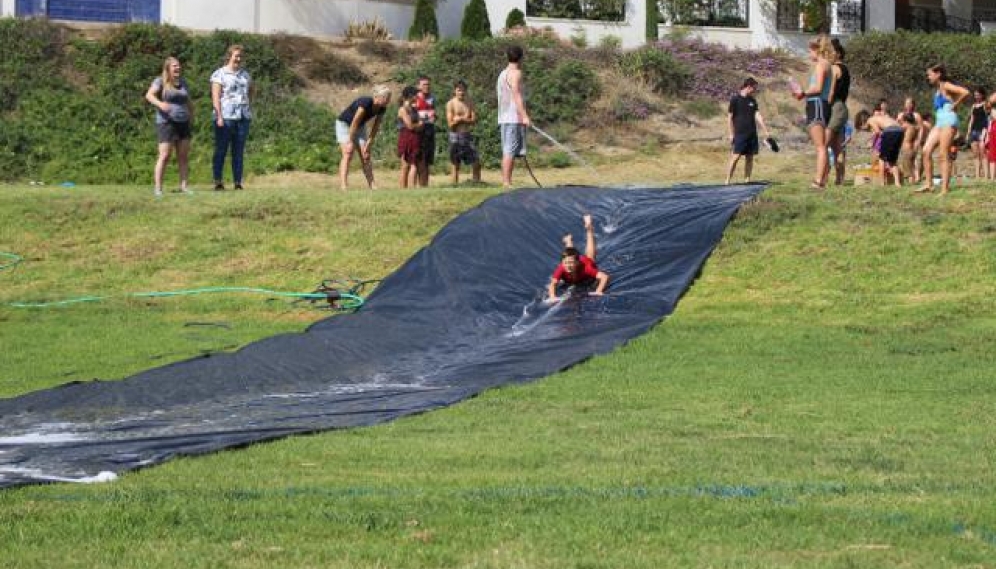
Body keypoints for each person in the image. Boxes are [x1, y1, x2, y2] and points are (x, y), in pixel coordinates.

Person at [917, 64, 969, 195]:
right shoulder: (937, 89)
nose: (928, 77)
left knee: (943, 154)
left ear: (938, 73)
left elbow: (965, 92)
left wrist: (956, 104)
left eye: (930, 74)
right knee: (925, 151)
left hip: (949, 121)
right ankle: (929, 184)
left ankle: (944, 189)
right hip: (939, 123)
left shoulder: (946, 85)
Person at [792, 35, 835, 190]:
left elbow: (817, 88)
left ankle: (818, 181)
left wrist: (803, 93)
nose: (809, 53)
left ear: (817, 49)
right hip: (820, 105)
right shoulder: (826, 64)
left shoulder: (821, 65)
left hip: (816, 105)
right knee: (822, 145)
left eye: (809, 50)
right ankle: (821, 179)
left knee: (820, 146)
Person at [145, 56, 192, 197]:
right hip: (167, 123)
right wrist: (160, 104)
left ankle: (184, 186)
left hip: (183, 122)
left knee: (183, 156)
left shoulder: (183, 82)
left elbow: (188, 101)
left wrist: (192, 115)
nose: (178, 68)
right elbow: (149, 95)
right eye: (174, 66)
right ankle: (158, 188)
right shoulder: (160, 81)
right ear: (168, 68)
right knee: (165, 155)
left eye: (179, 65)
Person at [210, 44, 254, 191]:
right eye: (236, 56)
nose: (238, 59)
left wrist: (248, 107)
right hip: (226, 117)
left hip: (242, 117)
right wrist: (219, 116)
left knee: (238, 151)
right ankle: (218, 181)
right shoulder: (219, 74)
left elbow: (251, 91)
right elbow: (216, 97)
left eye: (240, 56)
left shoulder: (245, 75)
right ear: (229, 56)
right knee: (221, 150)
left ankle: (237, 182)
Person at [336, 85, 391, 190]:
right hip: (344, 124)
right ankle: (343, 186)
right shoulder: (365, 102)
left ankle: (372, 185)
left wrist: (369, 143)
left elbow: (376, 126)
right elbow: (354, 121)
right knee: (348, 153)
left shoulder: (382, 108)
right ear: (378, 96)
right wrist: (350, 141)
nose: (388, 100)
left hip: (359, 127)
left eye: (388, 98)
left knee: (366, 155)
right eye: (386, 97)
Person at [547, 214, 609, 302]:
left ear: (577, 263)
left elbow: (604, 277)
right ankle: (568, 241)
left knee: (590, 256)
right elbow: (553, 284)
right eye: (565, 264)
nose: (568, 266)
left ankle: (589, 228)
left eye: (571, 264)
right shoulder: (561, 268)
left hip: (587, 261)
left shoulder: (586, 268)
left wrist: (598, 291)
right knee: (569, 254)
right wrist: (552, 296)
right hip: (572, 258)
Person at [497, 44, 531, 189]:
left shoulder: (502, 73)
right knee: (509, 150)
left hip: (504, 116)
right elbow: (516, 94)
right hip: (512, 117)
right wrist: (524, 116)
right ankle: (506, 182)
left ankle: (507, 181)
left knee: (508, 149)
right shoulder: (516, 73)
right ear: (521, 57)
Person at [725, 77, 770, 185]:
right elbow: (729, 118)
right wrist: (731, 133)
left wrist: (765, 130)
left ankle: (747, 181)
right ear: (748, 86)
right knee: (735, 157)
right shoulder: (735, 99)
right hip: (740, 133)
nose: (755, 90)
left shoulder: (752, 100)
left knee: (750, 158)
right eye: (754, 88)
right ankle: (727, 181)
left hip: (752, 133)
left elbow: (757, 115)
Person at [446, 80, 482, 185]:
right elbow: (450, 124)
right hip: (455, 136)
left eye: (463, 90)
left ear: (466, 90)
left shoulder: (470, 102)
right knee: (455, 163)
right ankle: (454, 185)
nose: (461, 92)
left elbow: (474, 120)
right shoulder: (451, 104)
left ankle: (476, 184)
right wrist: (458, 120)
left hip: (467, 134)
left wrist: (461, 119)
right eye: (458, 90)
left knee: (476, 162)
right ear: (455, 91)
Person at [855, 109, 904, 187]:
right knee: (892, 160)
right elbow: (880, 131)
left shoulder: (870, 120)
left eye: (863, 128)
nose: (866, 130)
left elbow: (878, 132)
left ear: (862, 122)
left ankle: (882, 183)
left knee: (882, 159)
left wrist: (872, 142)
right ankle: (897, 183)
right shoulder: (879, 118)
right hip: (900, 131)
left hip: (890, 131)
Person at [827, 38, 851, 186]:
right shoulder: (846, 69)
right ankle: (839, 179)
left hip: (834, 107)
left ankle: (821, 178)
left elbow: (830, 92)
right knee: (838, 146)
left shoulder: (835, 68)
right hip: (843, 107)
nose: (829, 55)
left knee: (825, 143)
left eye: (831, 53)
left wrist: (825, 106)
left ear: (837, 53)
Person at [396, 86, 422, 189]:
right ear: (410, 95)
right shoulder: (403, 109)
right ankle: (403, 189)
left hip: (415, 138)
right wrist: (419, 125)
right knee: (405, 165)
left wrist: (418, 125)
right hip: (405, 138)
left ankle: (412, 188)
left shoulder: (414, 108)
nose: (418, 96)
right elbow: (410, 126)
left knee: (414, 163)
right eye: (416, 94)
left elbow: (418, 125)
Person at [412, 76, 437, 187]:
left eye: (428, 84)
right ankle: (418, 185)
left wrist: (434, 116)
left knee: (428, 158)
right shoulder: (414, 98)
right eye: (424, 84)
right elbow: (412, 115)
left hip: (430, 129)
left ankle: (425, 185)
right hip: (419, 130)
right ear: (418, 86)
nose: (427, 86)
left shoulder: (432, 98)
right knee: (419, 158)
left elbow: (433, 111)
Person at [965, 86, 989, 179]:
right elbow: (972, 119)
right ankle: (977, 176)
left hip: (982, 131)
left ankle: (987, 176)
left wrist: (985, 132)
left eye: (978, 95)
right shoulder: (973, 106)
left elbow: (988, 119)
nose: (976, 97)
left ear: (982, 95)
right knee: (975, 154)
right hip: (973, 131)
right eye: (975, 95)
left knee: (983, 153)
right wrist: (968, 132)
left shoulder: (985, 104)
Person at [898, 113, 919, 184]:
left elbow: (898, 130)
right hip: (913, 148)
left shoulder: (906, 126)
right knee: (911, 166)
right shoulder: (915, 127)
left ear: (905, 119)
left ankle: (911, 183)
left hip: (906, 148)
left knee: (908, 169)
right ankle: (914, 180)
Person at [985, 106, 996, 180]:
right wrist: (987, 137)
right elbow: (989, 127)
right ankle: (992, 178)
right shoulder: (990, 117)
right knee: (992, 157)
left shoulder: (993, 111)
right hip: (992, 134)